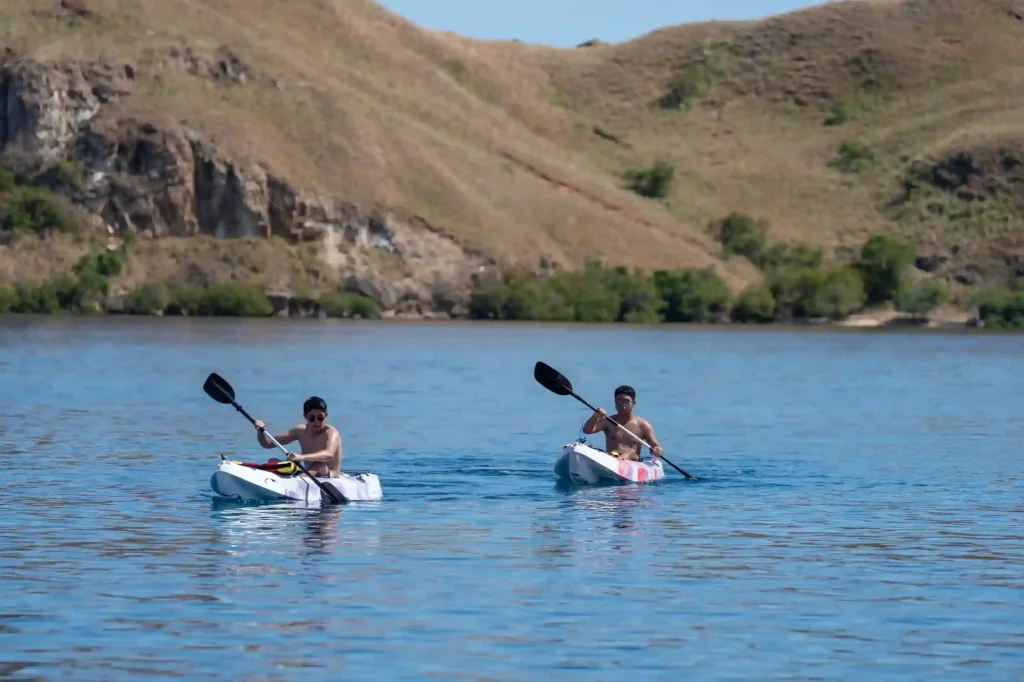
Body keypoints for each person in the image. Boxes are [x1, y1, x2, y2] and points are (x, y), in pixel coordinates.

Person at [253, 396, 343, 478]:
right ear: (305, 416)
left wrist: (301, 457)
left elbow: (329, 454)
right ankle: (293, 477)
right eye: (312, 418)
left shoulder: (331, 433)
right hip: (308, 473)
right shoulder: (299, 431)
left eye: (320, 417)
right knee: (273, 461)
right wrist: (260, 431)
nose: (317, 422)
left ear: (326, 416)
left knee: (318, 464)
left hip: (329, 475)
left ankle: (297, 479)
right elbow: (267, 444)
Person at [581, 385, 663, 462]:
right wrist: (595, 416)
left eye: (626, 402)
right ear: (615, 402)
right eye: (619, 401)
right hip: (612, 458)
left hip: (632, 462)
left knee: (630, 451)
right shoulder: (608, 421)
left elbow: (655, 447)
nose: (622, 405)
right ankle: (616, 461)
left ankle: (620, 460)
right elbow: (587, 430)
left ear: (633, 404)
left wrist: (657, 450)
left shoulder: (643, 425)